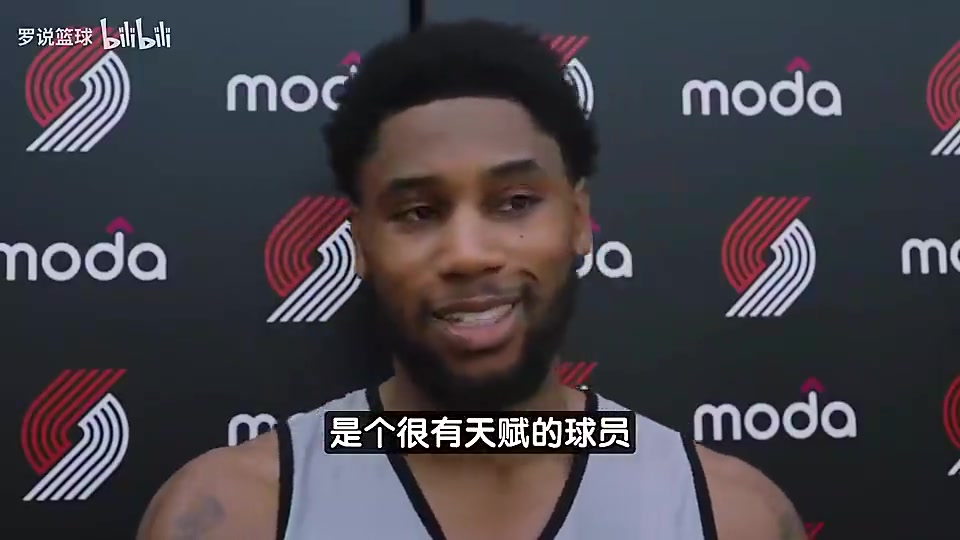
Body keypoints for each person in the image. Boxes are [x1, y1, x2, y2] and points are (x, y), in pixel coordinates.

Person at [137, 20, 807, 540]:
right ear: (361, 244)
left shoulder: (728, 516)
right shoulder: (235, 515)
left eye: (515, 203)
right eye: (418, 212)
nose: (467, 253)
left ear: (579, 220)